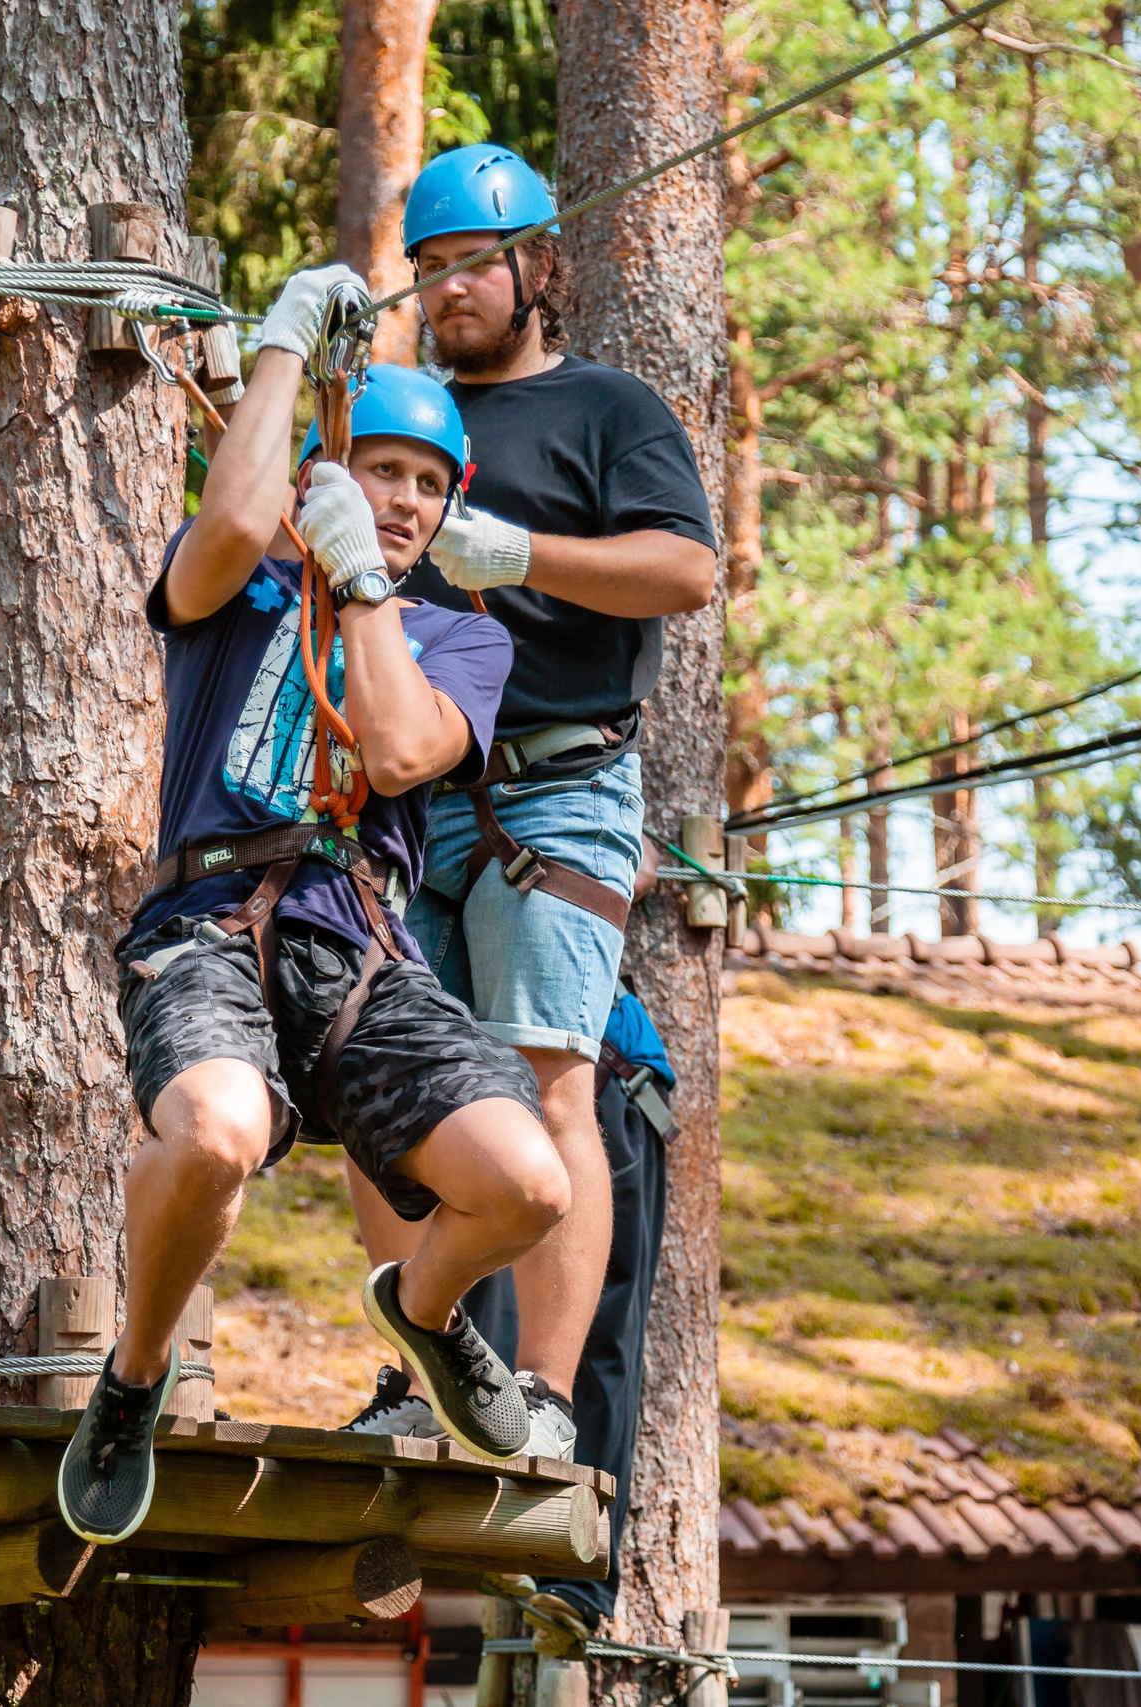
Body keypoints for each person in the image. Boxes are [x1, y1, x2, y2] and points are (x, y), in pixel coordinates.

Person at [57, 264, 570, 1548]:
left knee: (527, 1187)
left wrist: (370, 591)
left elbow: (397, 753)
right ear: (322, 479)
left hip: (359, 948)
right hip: (212, 925)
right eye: (379, 472)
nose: (401, 500)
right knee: (214, 1136)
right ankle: (132, 1382)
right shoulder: (241, 595)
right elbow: (233, 520)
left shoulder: (463, 640)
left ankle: (425, 1309)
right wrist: (284, 340)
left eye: (426, 484)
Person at [340, 144, 717, 1466]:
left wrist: (523, 554)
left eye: (475, 265)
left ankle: (547, 1393)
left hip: (557, 789)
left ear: (538, 267)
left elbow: (684, 570)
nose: (450, 289)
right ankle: (422, 1372)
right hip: (414, 793)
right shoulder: (404, 425)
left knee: (553, 1069)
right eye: (430, 269)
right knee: (384, 1095)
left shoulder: (606, 409)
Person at [348, 856, 674, 1629]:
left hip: (599, 1080)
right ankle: (463, 1474)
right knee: (465, 1309)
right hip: (474, 1097)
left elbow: (634, 858)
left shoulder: (573, 812)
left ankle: (576, 1571)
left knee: (590, 1338)